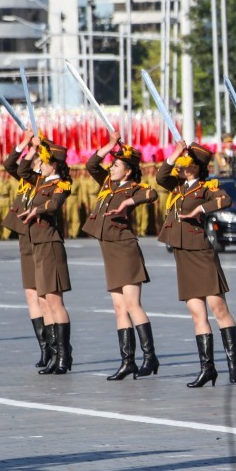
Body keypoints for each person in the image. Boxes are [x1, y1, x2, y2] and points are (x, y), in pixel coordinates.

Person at [157, 141, 236, 387]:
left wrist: (201, 209)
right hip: (182, 253)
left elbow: (224, 200)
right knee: (197, 313)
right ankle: (208, 369)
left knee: (219, 309)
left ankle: (233, 365)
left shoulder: (207, 186)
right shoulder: (178, 185)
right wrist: (175, 153)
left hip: (201, 252)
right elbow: (162, 176)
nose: (182, 165)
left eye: (187, 162)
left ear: (197, 166)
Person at [84, 132, 160, 380]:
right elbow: (91, 164)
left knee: (132, 304)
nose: (111, 167)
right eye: (112, 164)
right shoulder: (107, 183)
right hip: (109, 249)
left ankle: (150, 357)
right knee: (119, 308)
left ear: (127, 171)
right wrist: (110, 145)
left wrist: (128, 203)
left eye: (116, 165)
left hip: (125, 249)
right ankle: (128, 361)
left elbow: (152, 194)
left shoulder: (133, 187)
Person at [18, 136, 75, 375]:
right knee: (43, 300)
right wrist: (33, 148)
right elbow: (21, 168)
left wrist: (36, 210)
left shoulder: (61, 184)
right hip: (37, 244)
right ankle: (53, 354)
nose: (40, 163)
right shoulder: (41, 181)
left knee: (54, 300)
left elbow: (53, 205)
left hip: (50, 243)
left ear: (55, 164)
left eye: (44, 160)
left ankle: (64, 356)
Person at [1, 132, 48, 367]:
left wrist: (38, 151)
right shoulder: (25, 178)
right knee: (31, 294)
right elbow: (10, 164)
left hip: (40, 237)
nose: (32, 160)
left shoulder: (48, 181)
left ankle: (58, 345)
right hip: (24, 237)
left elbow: (21, 169)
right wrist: (26, 142)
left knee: (45, 295)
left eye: (38, 157)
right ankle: (44, 348)